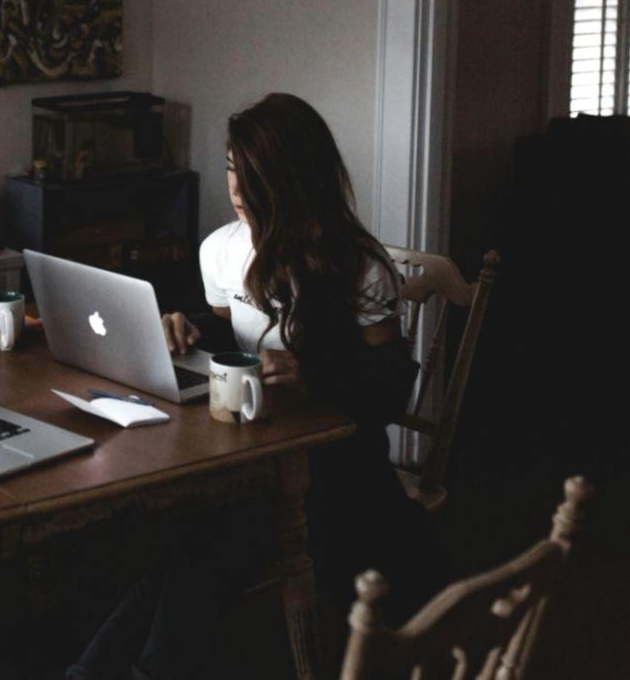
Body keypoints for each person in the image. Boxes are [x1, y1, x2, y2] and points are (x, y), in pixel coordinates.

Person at [68, 93, 444, 680]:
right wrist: (186, 321)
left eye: (252, 176)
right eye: (229, 168)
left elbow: (393, 389)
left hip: (333, 465)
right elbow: (230, 326)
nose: (236, 189)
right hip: (249, 449)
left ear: (292, 180)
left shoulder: (358, 267)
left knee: (204, 544)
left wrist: (316, 374)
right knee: (177, 544)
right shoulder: (220, 250)